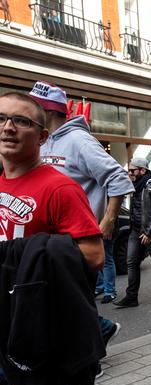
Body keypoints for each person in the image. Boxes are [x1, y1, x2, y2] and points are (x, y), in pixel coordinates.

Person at [0, 91, 114, 385]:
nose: (8, 126)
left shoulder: (59, 188)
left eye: (22, 121)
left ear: (42, 135)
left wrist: (19, 254)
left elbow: (93, 254)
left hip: (36, 329)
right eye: (2, 118)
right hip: (2, 323)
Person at [29, 82, 133, 310]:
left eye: (32, 108)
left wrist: (107, 222)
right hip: (49, 243)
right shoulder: (44, 142)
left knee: (73, 312)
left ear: (47, 111)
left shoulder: (78, 140)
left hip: (76, 243)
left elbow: (118, 178)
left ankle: (99, 332)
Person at [114, 158, 151, 307]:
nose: (130, 173)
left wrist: (148, 233)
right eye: (129, 170)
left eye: (132, 170)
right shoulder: (135, 186)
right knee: (131, 263)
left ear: (142, 170)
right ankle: (131, 297)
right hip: (135, 230)